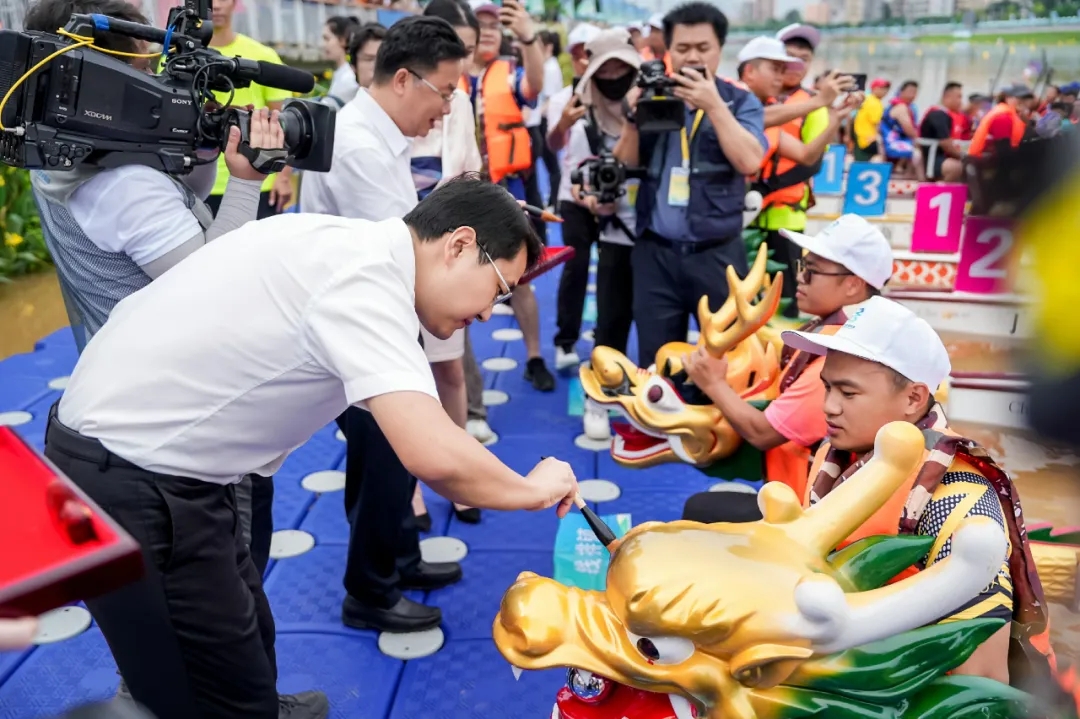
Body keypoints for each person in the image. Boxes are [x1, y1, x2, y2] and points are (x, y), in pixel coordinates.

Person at [43, 176, 578, 719]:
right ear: (459, 244)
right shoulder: (366, 283)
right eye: (498, 290)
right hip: (132, 475)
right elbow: (432, 452)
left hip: (174, 466)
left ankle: (256, 700)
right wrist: (531, 490)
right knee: (199, 692)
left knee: (247, 622)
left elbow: (425, 426)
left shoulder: (356, 250)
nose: (490, 313)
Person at [682, 295, 1052, 682]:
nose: (829, 407)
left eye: (848, 392)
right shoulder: (836, 455)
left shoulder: (958, 500)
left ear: (913, 398)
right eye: (827, 388)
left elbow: (982, 677)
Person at [300, 16, 472, 633]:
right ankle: (370, 592)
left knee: (390, 460)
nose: (449, 109)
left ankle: (398, 558)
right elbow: (411, 252)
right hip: (358, 326)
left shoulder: (381, 136)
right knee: (381, 459)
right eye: (446, 92)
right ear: (405, 79)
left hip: (380, 317)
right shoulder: (357, 145)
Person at [680, 214, 893, 496]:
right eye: (802, 266)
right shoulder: (838, 328)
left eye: (812, 271)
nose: (800, 278)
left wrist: (713, 383)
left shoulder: (842, 357)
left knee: (701, 508)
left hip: (806, 516)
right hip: (796, 501)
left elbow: (762, 433)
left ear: (853, 285)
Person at [613, 1, 767, 368]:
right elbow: (625, 164)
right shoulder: (655, 94)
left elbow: (749, 161)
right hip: (655, 252)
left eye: (703, 48)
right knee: (658, 358)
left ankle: (721, 424)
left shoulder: (739, 101)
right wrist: (633, 118)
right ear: (668, 50)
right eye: (683, 48)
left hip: (717, 253)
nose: (693, 56)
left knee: (730, 358)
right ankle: (661, 425)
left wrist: (714, 106)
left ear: (719, 50)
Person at [409, 0, 484, 528]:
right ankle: (409, 489)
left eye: (470, 54)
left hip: (449, 261)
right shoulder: (394, 110)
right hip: (398, 264)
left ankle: (459, 478)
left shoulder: (460, 103)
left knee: (449, 371)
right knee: (399, 385)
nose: (462, 69)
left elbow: (473, 170)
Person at [466, 0, 555, 392]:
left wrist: (528, 36)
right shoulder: (443, 75)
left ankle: (535, 357)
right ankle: (459, 378)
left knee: (520, 280)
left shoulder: (510, 74)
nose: (487, 30)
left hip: (507, 189)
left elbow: (534, 85)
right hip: (457, 193)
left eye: (493, 24)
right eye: (479, 23)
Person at [557, 28, 641, 440]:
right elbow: (579, 182)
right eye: (604, 70)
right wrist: (594, 200)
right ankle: (599, 399)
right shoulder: (583, 126)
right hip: (617, 235)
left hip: (664, 236)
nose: (613, 77)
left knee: (663, 328)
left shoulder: (662, 113)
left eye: (622, 69)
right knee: (612, 321)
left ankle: (657, 404)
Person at [738, 36, 857, 280]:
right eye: (775, 69)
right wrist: (819, 101)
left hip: (775, 208)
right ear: (749, 71)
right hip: (734, 214)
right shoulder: (733, 97)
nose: (781, 76)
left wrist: (835, 119)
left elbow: (806, 156)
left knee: (780, 286)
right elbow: (757, 117)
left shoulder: (776, 106)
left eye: (786, 68)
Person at [205, 0, 295, 216]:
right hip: (198, 183)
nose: (216, 5)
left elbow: (286, 122)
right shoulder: (178, 57)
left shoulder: (262, 55)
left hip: (257, 179)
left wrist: (283, 177)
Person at [968, 83, 1035, 158]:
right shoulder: (1003, 118)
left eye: (1025, 98)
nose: (1022, 101)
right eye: (1018, 97)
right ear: (1007, 98)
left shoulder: (1014, 115)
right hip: (981, 160)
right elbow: (1003, 153)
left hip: (997, 157)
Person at [919, 82, 968, 182]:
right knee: (957, 167)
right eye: (959, 97)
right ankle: (940, 189)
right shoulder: (938, 114)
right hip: (932, 159)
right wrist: (965, 157)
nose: (961, 101)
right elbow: (946, 144)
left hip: (940, 156)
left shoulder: (947, 115)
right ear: (947, 96)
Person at [881, 79, 922, 179]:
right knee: (918, 153)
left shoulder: (909, 107)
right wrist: (919, 141)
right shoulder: (900, 107)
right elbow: (909, 130)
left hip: (898, 140)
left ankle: (908, 174)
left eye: (915, 92)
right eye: (910, 92)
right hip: (891, 142)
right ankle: (920, 180)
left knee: (915, 145)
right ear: (901, 92)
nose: (913, 95)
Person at [322, 16, 361, 105]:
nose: (324, 45)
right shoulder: (341, 74)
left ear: (342, 40)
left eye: (327, 39)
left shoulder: (349, 78)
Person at [852, 78, 891, 161]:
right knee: (879, 159)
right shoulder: (875, 103)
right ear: (874, 88)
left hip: (860, 137)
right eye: (881, 88)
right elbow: (877, 124)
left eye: (886, 89)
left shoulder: (867, 99)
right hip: (869, 139)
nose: (884, 91)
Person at [346, 23, 386, 92]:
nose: (376, 66)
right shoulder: (343, 101)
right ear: (354, 67)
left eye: (383, 59)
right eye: (369, 59)